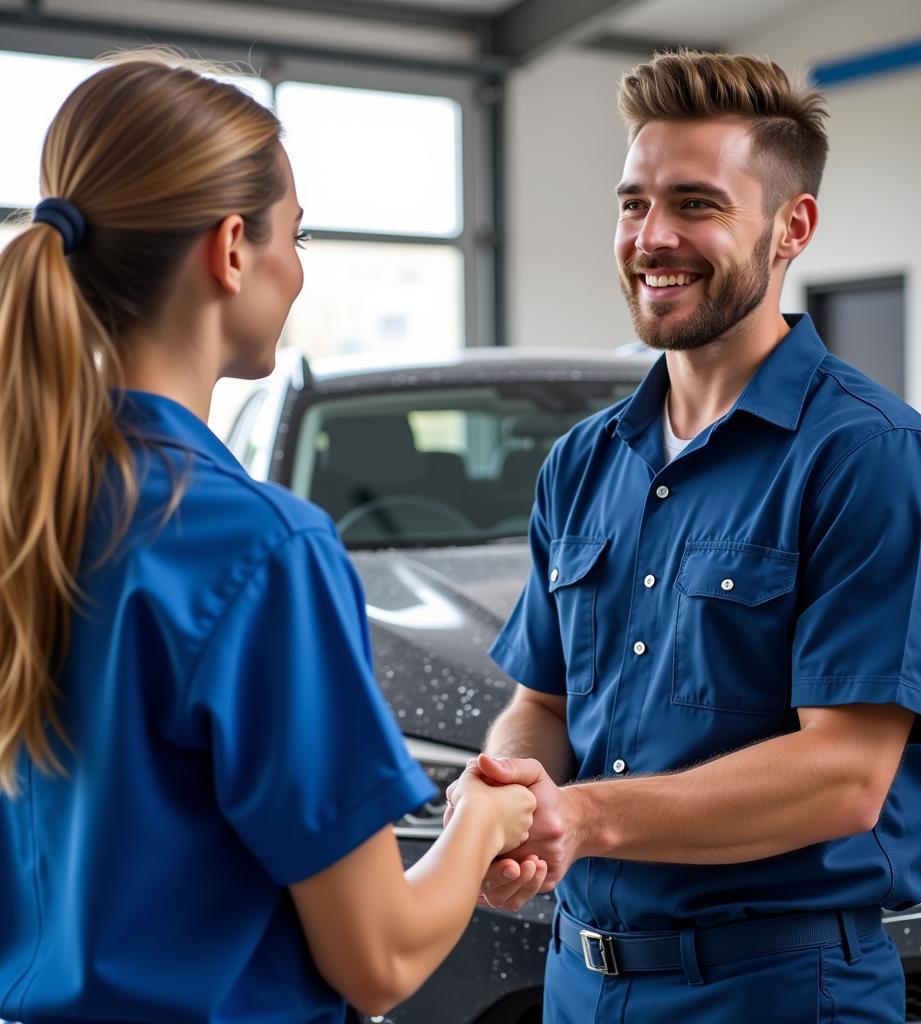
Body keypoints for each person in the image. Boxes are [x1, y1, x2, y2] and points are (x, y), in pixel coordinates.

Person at [0, 53, 536, 1023]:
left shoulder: (22, 514)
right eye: (299, 234)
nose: (298, 268)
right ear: (233, 248)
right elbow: (378, 956)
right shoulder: (257, 548)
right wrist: (482, 818)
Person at [445, 50, 921, 1022]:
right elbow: (541, 703)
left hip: (773, 988)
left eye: (695, 204)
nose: (652, 238)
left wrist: (583, 818)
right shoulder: (582, 462)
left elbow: (843, 777)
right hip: (580, 980)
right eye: (633, 203)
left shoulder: (870, 457)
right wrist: (508, 787)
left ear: (792, 228)